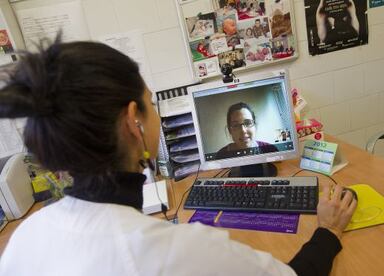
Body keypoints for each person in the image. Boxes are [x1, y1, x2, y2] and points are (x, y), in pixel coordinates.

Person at [0, 37, 357, 276]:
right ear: (133, 121)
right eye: (151, 104)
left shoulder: (24, 239)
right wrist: (328, 230)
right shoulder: (177, 253)